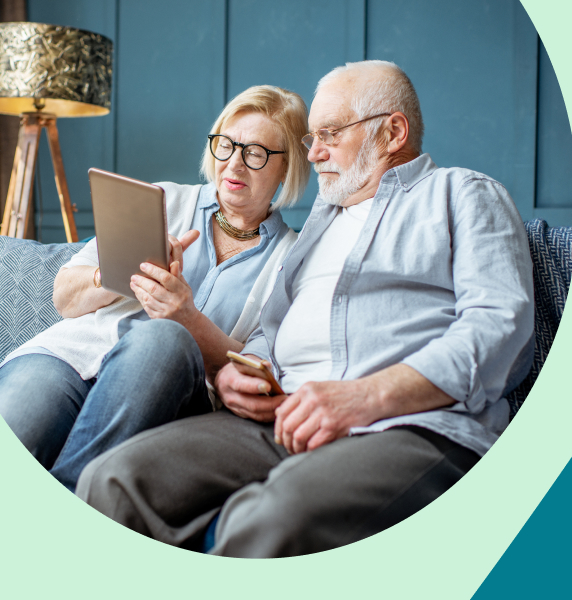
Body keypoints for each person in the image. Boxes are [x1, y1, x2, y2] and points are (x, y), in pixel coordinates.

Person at [77, 60, 535, 557]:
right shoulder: (316, 228)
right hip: (281, 419)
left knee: (272, 519)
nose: (313, 153)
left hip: (407, 428)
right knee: (113, 480)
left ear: (392, 132)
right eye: (312, 137)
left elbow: (501, 332)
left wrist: (363, 396)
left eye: (330, 134)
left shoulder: (463, 195)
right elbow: (269, 332)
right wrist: (240, 375)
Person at [0, 85, 310, 492]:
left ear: (286, 168)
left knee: (164, 337)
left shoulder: (292, 260)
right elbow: (64, 296)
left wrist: (186, 318)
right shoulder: (163, 200)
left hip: (172, 386)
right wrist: (122, 269)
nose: (234, 164)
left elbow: (256, 368)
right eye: (226, 145)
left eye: (255, 153)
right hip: (77, 355)